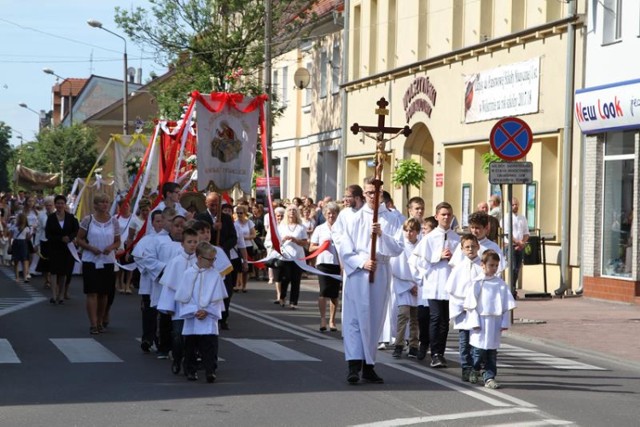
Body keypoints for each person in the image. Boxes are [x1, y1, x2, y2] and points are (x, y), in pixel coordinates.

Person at [338, 177, 403, 384]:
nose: (374, 196)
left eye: (377, 193)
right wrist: (360, 262)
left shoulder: (393, 218)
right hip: (358, 273)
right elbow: (343, 245)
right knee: (355, 319)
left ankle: (369, 366)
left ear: (382, 193)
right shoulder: (352, 218)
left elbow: (398, 247)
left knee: (374, 319)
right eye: (369, 193)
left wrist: (382, 235)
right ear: (364, 195)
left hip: (380, 270)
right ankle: (353, 366)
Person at [410, 201, 460, 368]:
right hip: (434, 283)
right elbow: (420, 263)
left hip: (449, 284)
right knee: (435, 317)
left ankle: (440, 352)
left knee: (445, 321)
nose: (446, 217)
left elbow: (461, 261)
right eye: (443, 214)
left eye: (449, 214)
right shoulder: (429, 238)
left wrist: (453, 258)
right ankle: (434, 353)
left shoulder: (456, 238)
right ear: (437, 216)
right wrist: (437, 256)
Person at [174, 242, 228, 383]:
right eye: (209, 259)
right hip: (192, 316)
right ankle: (191, 370)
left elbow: (217, 298)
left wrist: (207, 311)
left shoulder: (215, 275)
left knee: (209, 346)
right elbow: (184, 296)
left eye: (213, 259)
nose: (212, 262)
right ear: (199, 257)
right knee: (190, 346)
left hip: (208, 316)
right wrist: (193, 310)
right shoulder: (188, 274)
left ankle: (210, 370)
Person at [464, 250, 517, 389]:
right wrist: (474, 322)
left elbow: (506, 305)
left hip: (494, 322)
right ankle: (474, 369)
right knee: (478, 351)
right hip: (481, 322)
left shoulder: (500, 284)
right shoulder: (477, 283)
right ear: (482, 265)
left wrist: (504, 322)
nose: (493, 268)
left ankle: (489, 377)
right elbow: (471, 305)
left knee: (491, 352)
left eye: (496, 265)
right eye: (491, 265)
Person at [76, 193, 121, 335]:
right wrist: (90, 248)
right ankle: (93, 323)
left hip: (107, 261)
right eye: (101, 202)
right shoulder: (88, 220)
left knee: (104, 293)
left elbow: (118, 241)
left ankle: (101, 320)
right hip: (91, 260)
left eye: (107, 202)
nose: (105, 204)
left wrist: (111, 247)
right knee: (92, 292)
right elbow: (79, 239)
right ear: (95, 205)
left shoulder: (113, 221)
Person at [157, 227, 199, 375]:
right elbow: (169, 286)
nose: (192, 245)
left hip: (194, 305)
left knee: (191, 337)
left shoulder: (200, 262)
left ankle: (189, 365)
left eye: (195, 242)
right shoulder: (175, 262)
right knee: (177, 335)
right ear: (182, 243)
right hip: (179, 306)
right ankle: (177, 358)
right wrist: (168, 305)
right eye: (189, 242)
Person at [445, 233, 482, 381]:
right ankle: (466, 367)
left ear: (478, 247)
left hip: (478, 311)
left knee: (477, 342)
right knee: (464, 341)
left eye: (473, 246)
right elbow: (452, 291)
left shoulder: (483, 266)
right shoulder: (458, 268)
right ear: (461, 249)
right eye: (467, 247)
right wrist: (461, 306)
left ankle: (476, 367)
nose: (471, 249)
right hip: (463, 311)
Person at [132, 210, 166, 352]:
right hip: (149, 280)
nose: (160, 224)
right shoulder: (146, 239)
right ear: (152, 223)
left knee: (162, 313)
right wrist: (151, 269)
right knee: (149, 311)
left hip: (163, 281)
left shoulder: (168, 240)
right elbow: (138, 257)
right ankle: (147, 338)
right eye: (157, 221)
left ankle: (161, 340)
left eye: (162, 221)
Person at [391, 218, 421, 359]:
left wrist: (417, 285)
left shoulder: (421, 247)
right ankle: (399, 344)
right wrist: (409, 285)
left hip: (418, 287)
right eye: (407, 230)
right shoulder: (400, 247)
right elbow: (397, 268)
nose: (409, 234)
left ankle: (414, 345)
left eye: (412, 231)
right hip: (404, 287)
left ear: (417, 232)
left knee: (415, 318)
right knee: (403, 315)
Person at [309, 202, 341, 332]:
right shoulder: (320, 229)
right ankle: (323, 318)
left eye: (333, 213)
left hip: (337, 263)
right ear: (324, 214)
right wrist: (322, 247)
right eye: (329, 213)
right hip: (323, 263)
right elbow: (311, 247)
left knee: (334, 294)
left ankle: (332, 320)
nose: (331, 215)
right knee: (323, 292)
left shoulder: (341, 228)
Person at [45, 195, 79, 305]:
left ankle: (61, 295)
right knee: (54, 272)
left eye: (62, 203)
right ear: (55, 205)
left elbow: (76, 230)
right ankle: (54, 295)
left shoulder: (71, 217)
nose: (60, 205)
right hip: (55, 247)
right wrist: (60, 238)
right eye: (58, 203)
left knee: (64, 272)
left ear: (65, 205)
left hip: (67, 248)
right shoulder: (51, 218)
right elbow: (48, 234)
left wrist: (69, 237)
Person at [276, 204, 308, 309]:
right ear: (286, 213)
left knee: (296, 280)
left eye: (294, 210)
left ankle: (293, 302)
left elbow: (305, 242)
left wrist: (296, 240)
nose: (292, 212)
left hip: (297, 257)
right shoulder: (281, 226)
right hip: (285, 256)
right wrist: (283, 239)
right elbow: (276, 241)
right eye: (290, 210)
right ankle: (282, 297)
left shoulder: (301, 227)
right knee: (285, 278)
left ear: (297, 213)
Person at [501, 198, 529, 289]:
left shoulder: (522, 218)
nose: (515, 206)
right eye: (513, 205)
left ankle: (512, 287)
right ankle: (509, 287)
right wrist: (517, 242)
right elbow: (507, 233)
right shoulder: (506, 217)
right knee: (512, 267)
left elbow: (526, 232)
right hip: (510, 245)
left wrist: (522, 243)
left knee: (517, 268)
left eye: (516, 204)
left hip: (520, 246)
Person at [233, 204, 255, 293]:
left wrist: (245, 238)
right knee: (238, 267)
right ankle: (238, 284)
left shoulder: (249, 222)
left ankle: (244, 285)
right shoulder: (235, 223)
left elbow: (254, 234)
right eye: (237, 213)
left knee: (246, 268)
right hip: (238, 247)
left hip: (248, 245)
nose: (239, 214)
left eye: (241, 213)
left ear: (245, 213)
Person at [36, 196, 56, 289]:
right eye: (47, 205)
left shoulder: (58, 214)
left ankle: (53, 280)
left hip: (54, 241)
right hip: (44, 240)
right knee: (44, 261)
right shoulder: (41, 214)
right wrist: (36, 243)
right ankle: (46, 280)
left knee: (54, 261)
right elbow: (39, 229)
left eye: (50, 205)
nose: (48, 207)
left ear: (54, 205)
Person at [10, 213, 31, 283]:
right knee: (17, 261)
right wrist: (10, 245)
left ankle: (23, 277)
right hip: (19, 243)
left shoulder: (26, 228)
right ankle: (18, 277)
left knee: (23, 261)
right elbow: (11, 236)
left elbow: (27, 238)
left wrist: (31, 234)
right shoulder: (14, 226)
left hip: (21, 243)